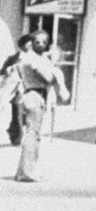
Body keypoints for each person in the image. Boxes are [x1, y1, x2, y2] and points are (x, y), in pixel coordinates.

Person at [11, 30, 70, 182]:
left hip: (35, 95)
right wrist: (56, 73)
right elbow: (48, 78)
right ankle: (27, 173)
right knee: (32, 135)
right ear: (31, 42)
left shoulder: (35, 57)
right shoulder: (32, 59)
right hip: (34, 95)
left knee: (33, 135)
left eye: (44, 42)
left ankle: (24, 171)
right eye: (38, 42)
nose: (41, 45)